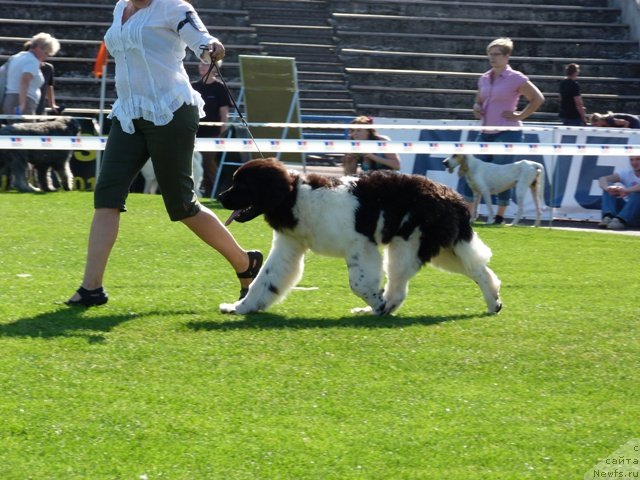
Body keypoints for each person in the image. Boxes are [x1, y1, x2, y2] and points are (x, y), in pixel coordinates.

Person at [66, 0, 262, 307]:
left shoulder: (173, 7)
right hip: (129, 113)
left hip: (171, 110)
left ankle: (244, 262)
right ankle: (91, 288)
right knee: (106, 196)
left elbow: (200, 36)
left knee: (182, 205)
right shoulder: (120, 8)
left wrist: (211, 47)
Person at [468, 37, 545, 224]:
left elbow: (537, 98)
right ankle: (470, 214)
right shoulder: (484, 78)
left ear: (506, 56)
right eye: (490, 54)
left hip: (508, 132)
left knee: (503, 175)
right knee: (473, 171)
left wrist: (520, 116)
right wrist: (477, 108)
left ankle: (500, 216)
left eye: (496, 54)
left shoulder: (516, 78)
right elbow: (478, 101)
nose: (492, 58)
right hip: (485, 131)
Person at [191, 60, 230, 197]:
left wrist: (221, 133)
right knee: (193, 164)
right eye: (200, 63)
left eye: (206, 64)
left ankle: (217, 193)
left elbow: (224, 113)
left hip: (212, 135)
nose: (201, 66)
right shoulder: (193, 86)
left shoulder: (220, 88)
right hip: (194, 134)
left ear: (214, 68)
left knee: (208, 163)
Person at [1, 33, 60, 116]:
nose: (46, 57)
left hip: (9, 100)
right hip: (24, 102)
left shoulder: (16, 57)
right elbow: (24, 81)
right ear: (38, 48)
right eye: (46, 53)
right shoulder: (32, 61)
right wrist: (22, 105)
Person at [597, 156, 640, 230]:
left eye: (638, 159)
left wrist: (626, 191)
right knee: (610, 187)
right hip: (630, 213)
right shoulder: (627, 173)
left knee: (637, 194)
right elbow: (602, 179)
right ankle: (609, 217)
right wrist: (608, 189)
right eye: (631, 160)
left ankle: (621, 220)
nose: (634, 163)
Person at [22, 41, 62, 116]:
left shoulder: (48, 68)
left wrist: (52, 104)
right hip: (27, 101)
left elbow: (49, 86)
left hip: (40, 105)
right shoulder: (22, 65)